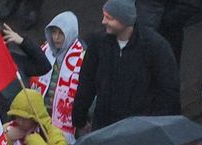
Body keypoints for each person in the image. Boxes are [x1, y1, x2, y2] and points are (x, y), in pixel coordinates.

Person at [71, 0, 180, 132]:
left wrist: (161, 128)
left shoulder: (155, 47)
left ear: (125, 20)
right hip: (105, 126)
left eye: (109, 18)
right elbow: (86, 83)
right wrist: (79, 119)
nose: (103, 21)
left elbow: (168, 92)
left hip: (141, 129)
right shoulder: (98, 43)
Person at [30, 12, 84, 143]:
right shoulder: (44, 51)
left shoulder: (82, 58)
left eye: (61, 33)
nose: (56, 37)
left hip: (61, 129)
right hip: (38, 120)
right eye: (53, 32)